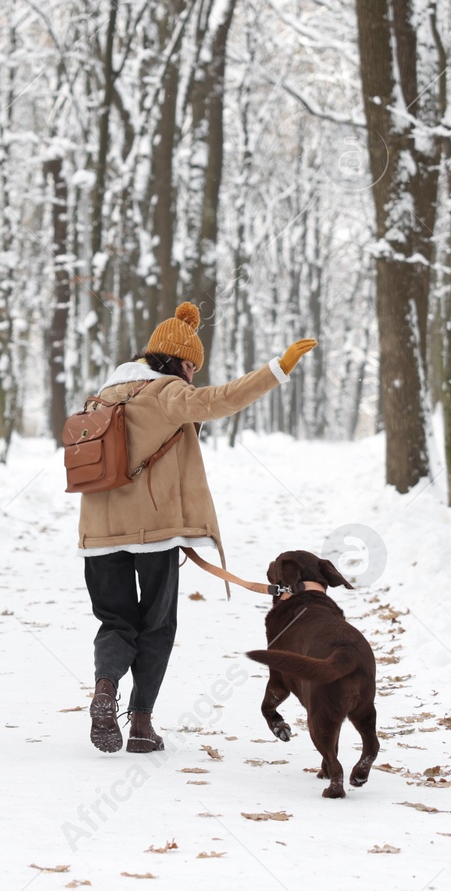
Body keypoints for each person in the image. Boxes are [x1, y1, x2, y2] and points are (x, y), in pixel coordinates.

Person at [77, 300, 316, 753]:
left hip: (98, 535)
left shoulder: (104, 395)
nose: (193, 378)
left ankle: (105, 689)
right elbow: (218, 400)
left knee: (114, 621)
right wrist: (276, 369)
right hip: (153, 535)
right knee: (157, 625)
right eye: (192, 368)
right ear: (181, 362)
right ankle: (142, 726)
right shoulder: (166, 391)